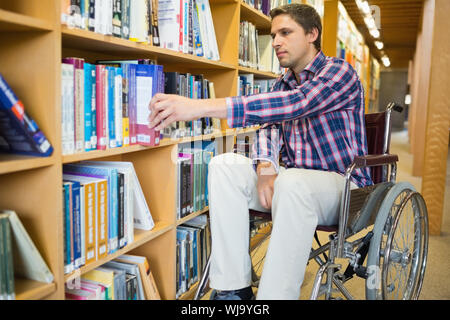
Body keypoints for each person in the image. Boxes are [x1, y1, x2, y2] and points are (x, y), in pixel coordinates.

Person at [148, 3, 372, 300]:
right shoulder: (283, 83)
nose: (276, 41)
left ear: (312, 34)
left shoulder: (340, 73)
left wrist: (198, 107)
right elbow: (268, 124)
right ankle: (233, 290)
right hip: (293, 185)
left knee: (293, 182)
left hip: (343, 186)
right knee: (224, 164)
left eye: (285, 32)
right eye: (273, 34)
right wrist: (265, 165)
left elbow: (296, 104)